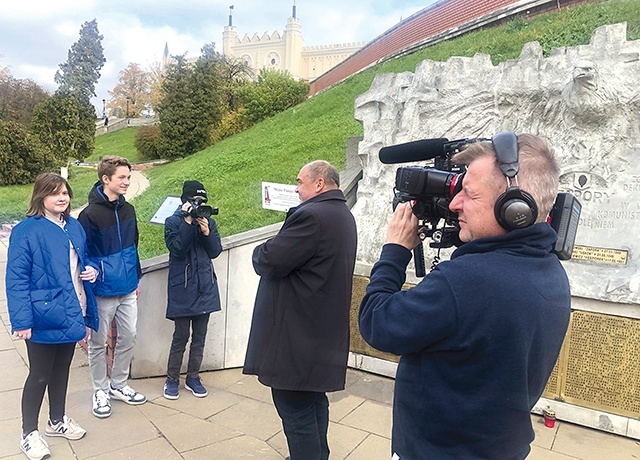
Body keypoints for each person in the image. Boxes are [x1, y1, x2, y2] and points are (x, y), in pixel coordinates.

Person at [358, 133, 571, 459]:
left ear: (514, 208)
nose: (455, 203)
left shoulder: (467, 282)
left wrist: (395, 251)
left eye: (469, 195)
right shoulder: (550, 271)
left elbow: (377, 323)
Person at [243, 160, 357, 460]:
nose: (296, 188)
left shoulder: (311, 216)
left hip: (298, 335)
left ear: (319, 183)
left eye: (300, 181)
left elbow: (267, 259)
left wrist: (264, 246)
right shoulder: (341, 214)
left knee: (296, 412)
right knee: (313, 404)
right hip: (318, 332)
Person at [6, 172, 99, 460]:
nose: (62, 198)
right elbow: (16, 279)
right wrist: (21, 322)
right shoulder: (26, 230)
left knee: (61, 371)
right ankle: (28, 433)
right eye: (54, 193)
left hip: (73, 310)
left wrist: (93, 270)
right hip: (42, 315)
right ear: (40, 197)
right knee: (39, 375)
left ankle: (56, 421)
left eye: (65, 193)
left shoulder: (73, 226)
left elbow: (86, 258)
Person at [78, 155, 146, 419]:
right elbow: (83, 253)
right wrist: (91, 278)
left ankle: (119, 385)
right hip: (103, 290)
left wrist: (136, 278)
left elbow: (134, 246)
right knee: (97, 343)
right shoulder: (89, 215)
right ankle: (100, 390)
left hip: (128, 287)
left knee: (129, 336)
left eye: (128, 177)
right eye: (122, 177)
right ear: (106, 179)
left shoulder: (128, 210)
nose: (127, 182)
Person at [162, 180, 223, 399]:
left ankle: (193, 377)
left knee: (200, 337)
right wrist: (187, 222)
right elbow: (177, 249)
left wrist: (207, 232)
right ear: (184, 201)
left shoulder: (208, 222)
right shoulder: (172, 222)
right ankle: (171, 380)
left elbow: (215, 251)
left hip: (205, 287)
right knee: (180, 336)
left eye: (201, 201)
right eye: (194, 201)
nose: (198, 205)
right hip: (183, 289)